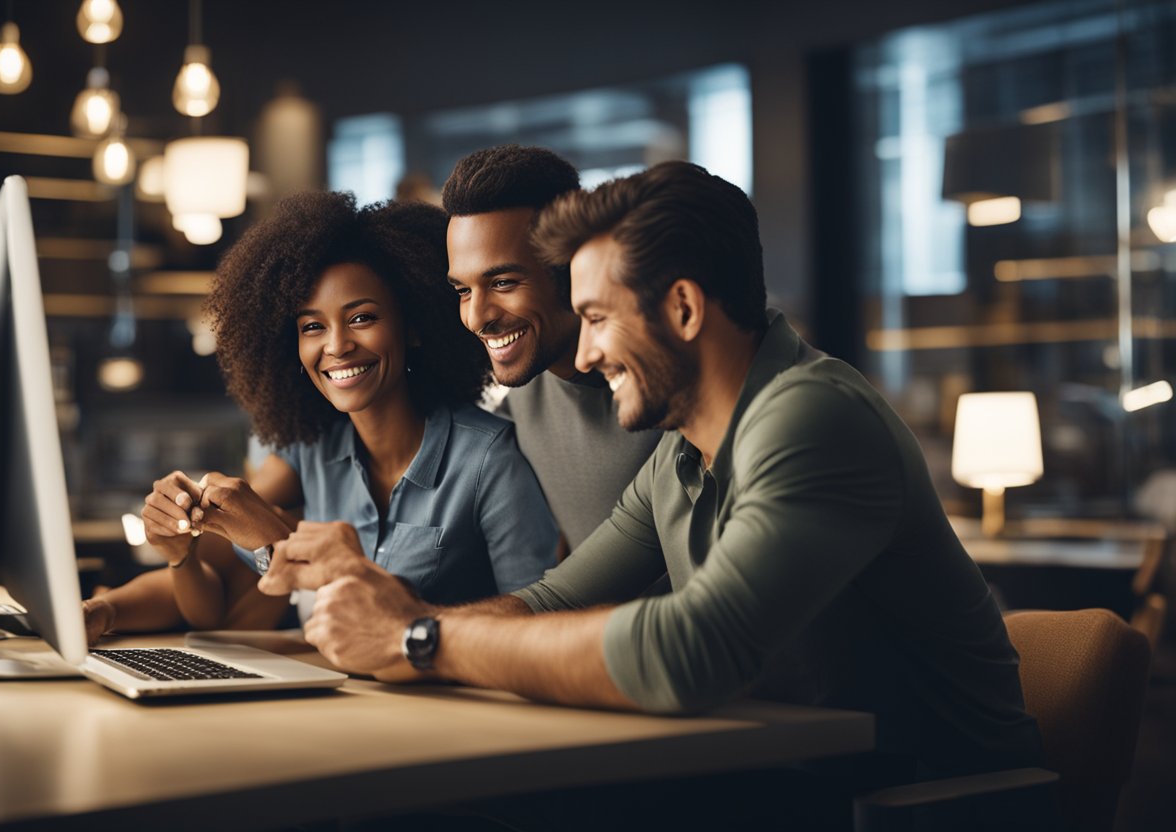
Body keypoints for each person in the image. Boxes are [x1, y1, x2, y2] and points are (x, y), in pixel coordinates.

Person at [257, 162, 1045, 807]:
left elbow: (689, 649)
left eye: (598, 317)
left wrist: (416, 639)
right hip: (785, 778)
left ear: (684, 308)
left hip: (921, 803)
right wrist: (402, 616)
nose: (588, 356)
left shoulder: (812, 417)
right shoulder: (681, 452)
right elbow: (553, 599)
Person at [83, 193, 558, 643]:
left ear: (414, 325)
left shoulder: (489, 459)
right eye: (312, 326)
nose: (335, 347)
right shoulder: (308, 449)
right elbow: (211, 598)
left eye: (362, 318)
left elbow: (537, 622)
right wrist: (117, 599)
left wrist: (274, 539)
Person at [442, 145, 661, 556]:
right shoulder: (517, 411)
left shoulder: (670, 395)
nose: (476, 317)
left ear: (568, 268)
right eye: (462, 290)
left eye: (503, 283)